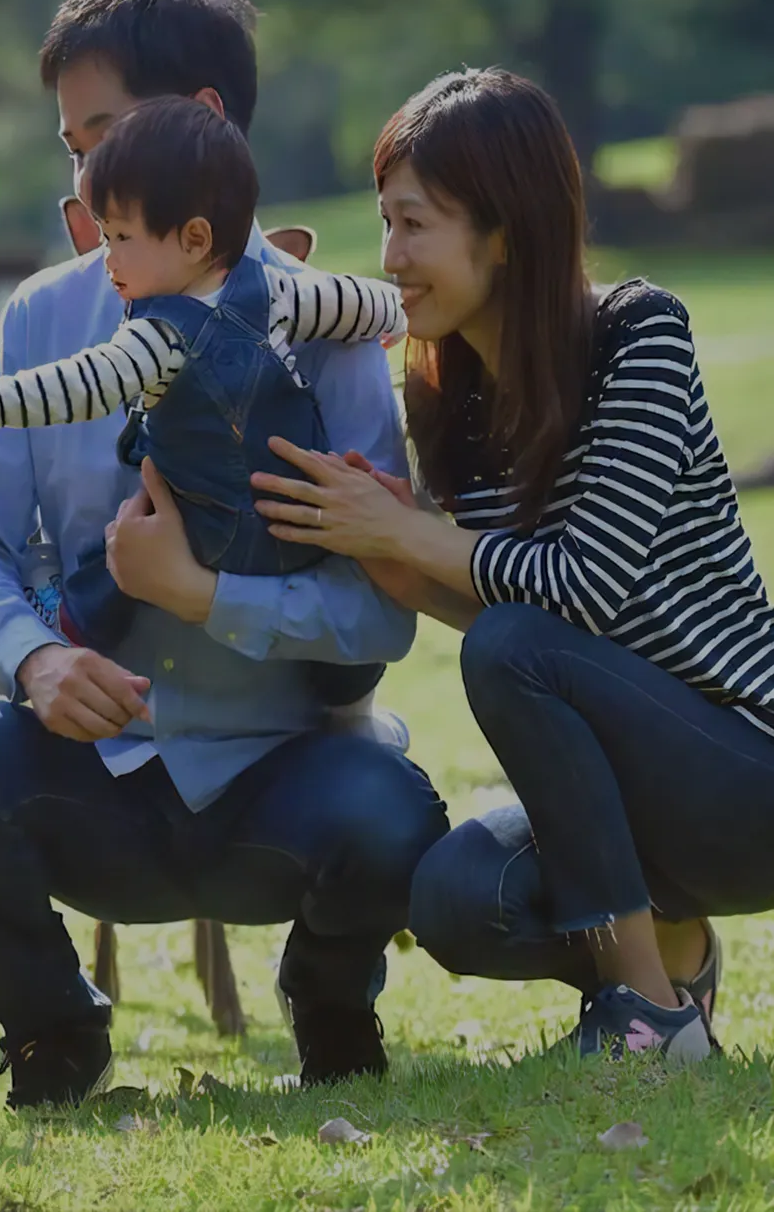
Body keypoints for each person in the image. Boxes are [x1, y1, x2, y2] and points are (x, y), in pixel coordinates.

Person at [0, 0, 447, 1108]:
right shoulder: (45, 316)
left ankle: (330, 998)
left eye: (102, 134)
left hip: (281, 778)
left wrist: (205, 595)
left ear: (199, 119)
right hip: (94, 779)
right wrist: (38, 660)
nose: (84, 175)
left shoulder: (325, 331)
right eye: (70, 148)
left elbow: (379, 621)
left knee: (395, 816)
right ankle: (54, 1029)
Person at [242, 66, 774, 1064]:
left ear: (507, 231)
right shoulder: (452, 396)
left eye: (415, 226)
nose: (390, 258)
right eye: (385, 224)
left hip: (747, 763)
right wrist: (398, 567)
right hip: (624, 791)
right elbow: (513, 609)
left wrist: (413, 537)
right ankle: (674, 958)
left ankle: (648, 1021)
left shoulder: (638, 335)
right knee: (456, 899)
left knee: (512, 644)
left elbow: (583, 589)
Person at [0, 94, 404, 726]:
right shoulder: (284, 292)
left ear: (195, 237)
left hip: (208, 527)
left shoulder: (157, 334)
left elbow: (79, 385)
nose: (105, 255)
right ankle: (344, 700)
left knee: (122, 552)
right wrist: (400, 318)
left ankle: (65, 623)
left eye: (120, 236)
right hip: (284, 528)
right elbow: (364, 303)